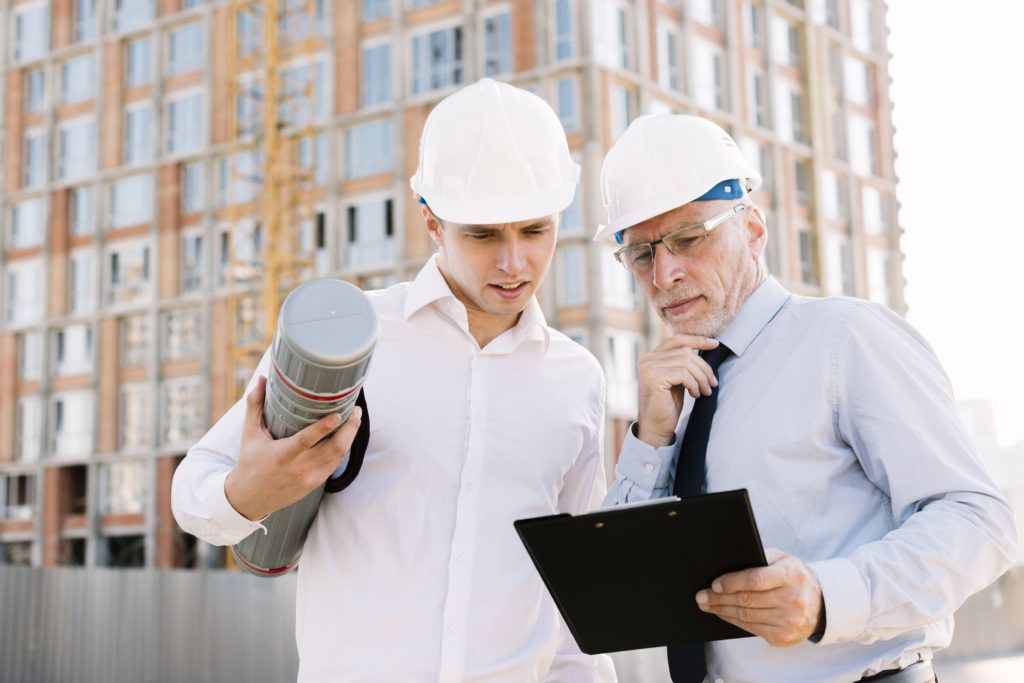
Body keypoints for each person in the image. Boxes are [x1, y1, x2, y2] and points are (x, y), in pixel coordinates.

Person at [172, 78, 615, 683]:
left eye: (535, 230)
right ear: (433, 222)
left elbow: (574, 599)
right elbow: (191, 490)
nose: (515, 262)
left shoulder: (577, 381)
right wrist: (248, 492)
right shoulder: (348, 339)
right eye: (484, 234)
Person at [597, 114, 1017, 683]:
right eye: (642, 255)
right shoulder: (674, 392)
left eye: (688, 239)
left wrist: (826, 598)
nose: (664, 273)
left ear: (753, 229)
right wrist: (652, 438)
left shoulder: (846, 339)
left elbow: (979, 521)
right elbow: (621, 579)